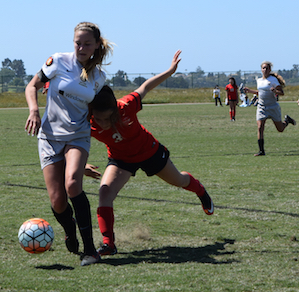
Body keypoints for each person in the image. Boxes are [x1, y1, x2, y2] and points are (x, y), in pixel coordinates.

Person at [86, 50, 214, 257]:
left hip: (149, 152)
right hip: (121, 159)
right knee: (105, 192)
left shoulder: (126, 106)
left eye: (106, 119)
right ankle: (109, 243)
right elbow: (70, 139)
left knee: (179, 181)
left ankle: (200, 190)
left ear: (115, 111)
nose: (101, 124)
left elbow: (145, 87)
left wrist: (170, 71)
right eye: (97, 119)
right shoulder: (88, 121)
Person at [24, 22, 112, 266]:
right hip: (50, 137)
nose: (81, 47)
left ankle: (90, 250)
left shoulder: (99, 78)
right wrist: (34, 111)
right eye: (77, 42)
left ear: (96, 45)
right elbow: (32, 85)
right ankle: (70, 230)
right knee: (58, 201)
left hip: (78, 135)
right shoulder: (58, 61)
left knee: (73, 184)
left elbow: (102, 110)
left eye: (86, 43)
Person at [243, 61, 296, 156]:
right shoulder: (259, 80)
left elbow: (281, 93)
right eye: (263, 68)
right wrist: (250, 91)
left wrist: (275, 90)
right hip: (261, 107)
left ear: (270, 70)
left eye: (267, 68)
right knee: (260, 127)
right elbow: (260, 92)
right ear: (261, 69)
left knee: (280, 129)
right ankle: (261, 151)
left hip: (273, 107)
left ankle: (287, 121)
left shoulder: (273, 80)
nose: (265, 70)